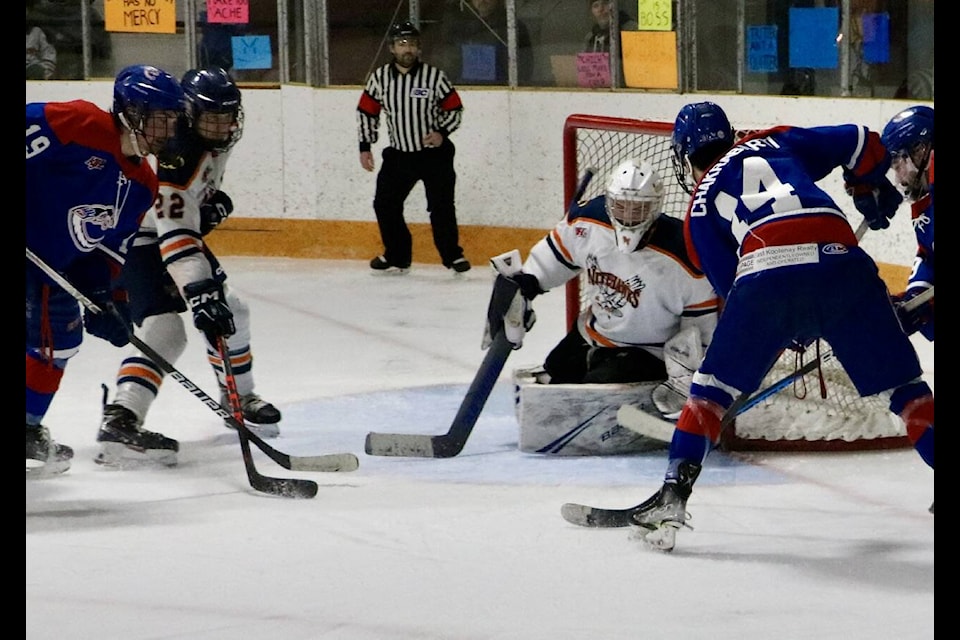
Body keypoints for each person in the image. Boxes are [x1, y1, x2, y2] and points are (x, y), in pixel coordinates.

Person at [626, 102, 935, 551]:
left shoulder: (696, 211)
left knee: (708, 397)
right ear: (730, 134)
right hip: (844, 263)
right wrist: (863, 183)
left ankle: (673, 496)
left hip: (765, 273)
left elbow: (733, 291)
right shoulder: (775, 140)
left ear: (685, 158)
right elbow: (863, 142)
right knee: (907, 393)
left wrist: (787, 323)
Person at [95, 67, 283, 467]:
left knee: (233, 310)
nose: (219, 127)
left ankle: (240, 397)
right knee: (166, 328)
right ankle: (122, 418)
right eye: (210, 118)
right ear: (189, 114)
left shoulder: (208, 140)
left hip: (161, 231)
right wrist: (199, 294)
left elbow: (186, 213)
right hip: (137, 239)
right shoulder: (175, 153)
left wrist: (208, 206)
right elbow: (174, 230)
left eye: (226, 117)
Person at [26, 64, 185, 476]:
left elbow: (108, 251)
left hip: (49, 265)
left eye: (172, 120)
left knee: (60, 337)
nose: (167, 129)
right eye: (160, 117)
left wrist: (106, 299)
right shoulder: (77, 123)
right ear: (131, 112)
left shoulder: (143, 185)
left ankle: (25, 429)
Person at [500, 159, 718, 400]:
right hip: (592, 334)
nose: (628, 217)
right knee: (556, 370)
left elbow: (701, 330)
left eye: (638, 209)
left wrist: (688, 378)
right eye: (620, 206)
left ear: (655, 208)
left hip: (648, 352)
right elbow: (553, 259)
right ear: (608, 202)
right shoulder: (588, 223)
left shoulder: (685, 255)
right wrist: (529, 283)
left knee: (595, 394)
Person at [357, 21, 470, 274]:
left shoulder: (435, 77)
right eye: (401, 43)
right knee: (385, 204)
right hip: (399, 156)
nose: (407, 49)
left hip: (435, 157)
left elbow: (454, 109)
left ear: (419, 49)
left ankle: (453, 256)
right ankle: (397, 255)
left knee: (441, 206)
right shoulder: (380, 78)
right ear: (392, 48)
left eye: (412, 44)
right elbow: (367, 112)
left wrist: (441, 133)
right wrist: (365, 146)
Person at [880, 105, 934, 343]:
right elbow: (927, 253)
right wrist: (916, 295)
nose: (899, 176)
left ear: (921, 151)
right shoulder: (926, 199)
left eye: (898, 163)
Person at [441, 0, 533, 85]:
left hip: (502, 92)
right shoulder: (459, 27)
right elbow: (448, 65)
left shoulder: (513, 27)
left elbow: (525, 69)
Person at [26, 0, 56, 80]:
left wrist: (43, 73)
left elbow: (49, 57)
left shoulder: (37, 32)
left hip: (34, 79)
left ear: (29, 11)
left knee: (35, 69)